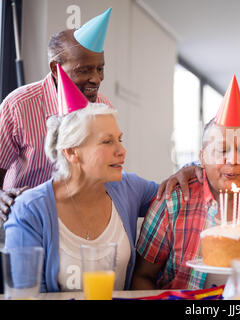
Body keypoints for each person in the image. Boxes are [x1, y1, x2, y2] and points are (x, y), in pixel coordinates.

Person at [132, 76, 240, 290]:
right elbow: (142, 276)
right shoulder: (174, 202)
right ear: (203, 157)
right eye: (222, 150)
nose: (232, 159)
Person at [4, 65, 158, 292]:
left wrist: (191, 169)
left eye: (120, 140)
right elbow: (25, 294)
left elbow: (175, 194)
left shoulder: (128, 187)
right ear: (71, 151)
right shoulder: (30, 210)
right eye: (107, 141)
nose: (121, 151)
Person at [0, 8, 112, 218]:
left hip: (78, 222)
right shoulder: (18, 106)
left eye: (99, 69)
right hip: (25, 222)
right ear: (55, 68)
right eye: (84, 70)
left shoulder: (103, 107)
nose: (96, 79)